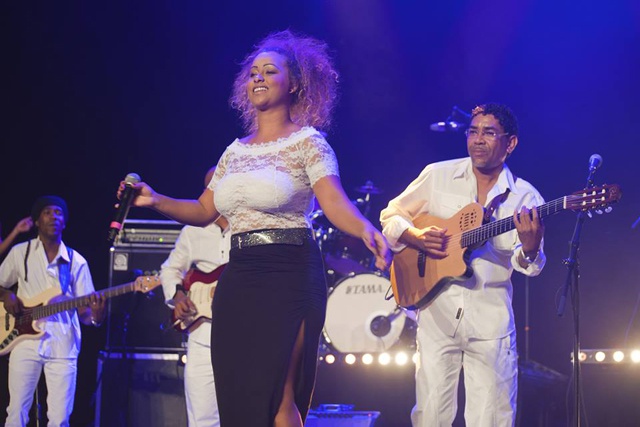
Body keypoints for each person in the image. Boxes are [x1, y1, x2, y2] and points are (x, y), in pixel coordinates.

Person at [117, 29, 390, 427]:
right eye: (253, 73)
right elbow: (203, 209)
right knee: (239, 395)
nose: (258, 78)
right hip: (240, 275)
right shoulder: (234, 151)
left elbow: (334, 203)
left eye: (270, 71)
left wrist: (365, 229)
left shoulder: (309, 143)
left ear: (294, 83)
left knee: (279, 394)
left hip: (291, 270)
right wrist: (154, 199)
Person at [380, 103, 546, 426]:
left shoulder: (525, 198)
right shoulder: (437, 175)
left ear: (510, 143)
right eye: (473, 132)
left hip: (490, 322)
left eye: (488, 133)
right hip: (437, 314)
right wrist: (414, 235)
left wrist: (530, 246)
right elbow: (390, 216)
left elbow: (531, 265)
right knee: (430, 417)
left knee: (491, 419)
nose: (477, 140)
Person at [0, 195, 106, 427]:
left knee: (59, 418)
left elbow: (86, 315)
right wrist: (7, 294)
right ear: (37, 221)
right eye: (48, 212)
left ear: (64, 223)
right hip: (23, 340)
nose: (54, 216)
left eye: (59, 213)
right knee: (16, 411)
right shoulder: (21, 252)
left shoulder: (76, 262)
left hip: (63, 344)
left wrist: (96, 315)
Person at [160, 166, 230, 427]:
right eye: (208, 187)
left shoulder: (251, 230)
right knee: (202, 420)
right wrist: (177, 296)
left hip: (244, 338)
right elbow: (170, 269)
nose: (211, 192)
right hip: (201, 337)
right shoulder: (193, 230)